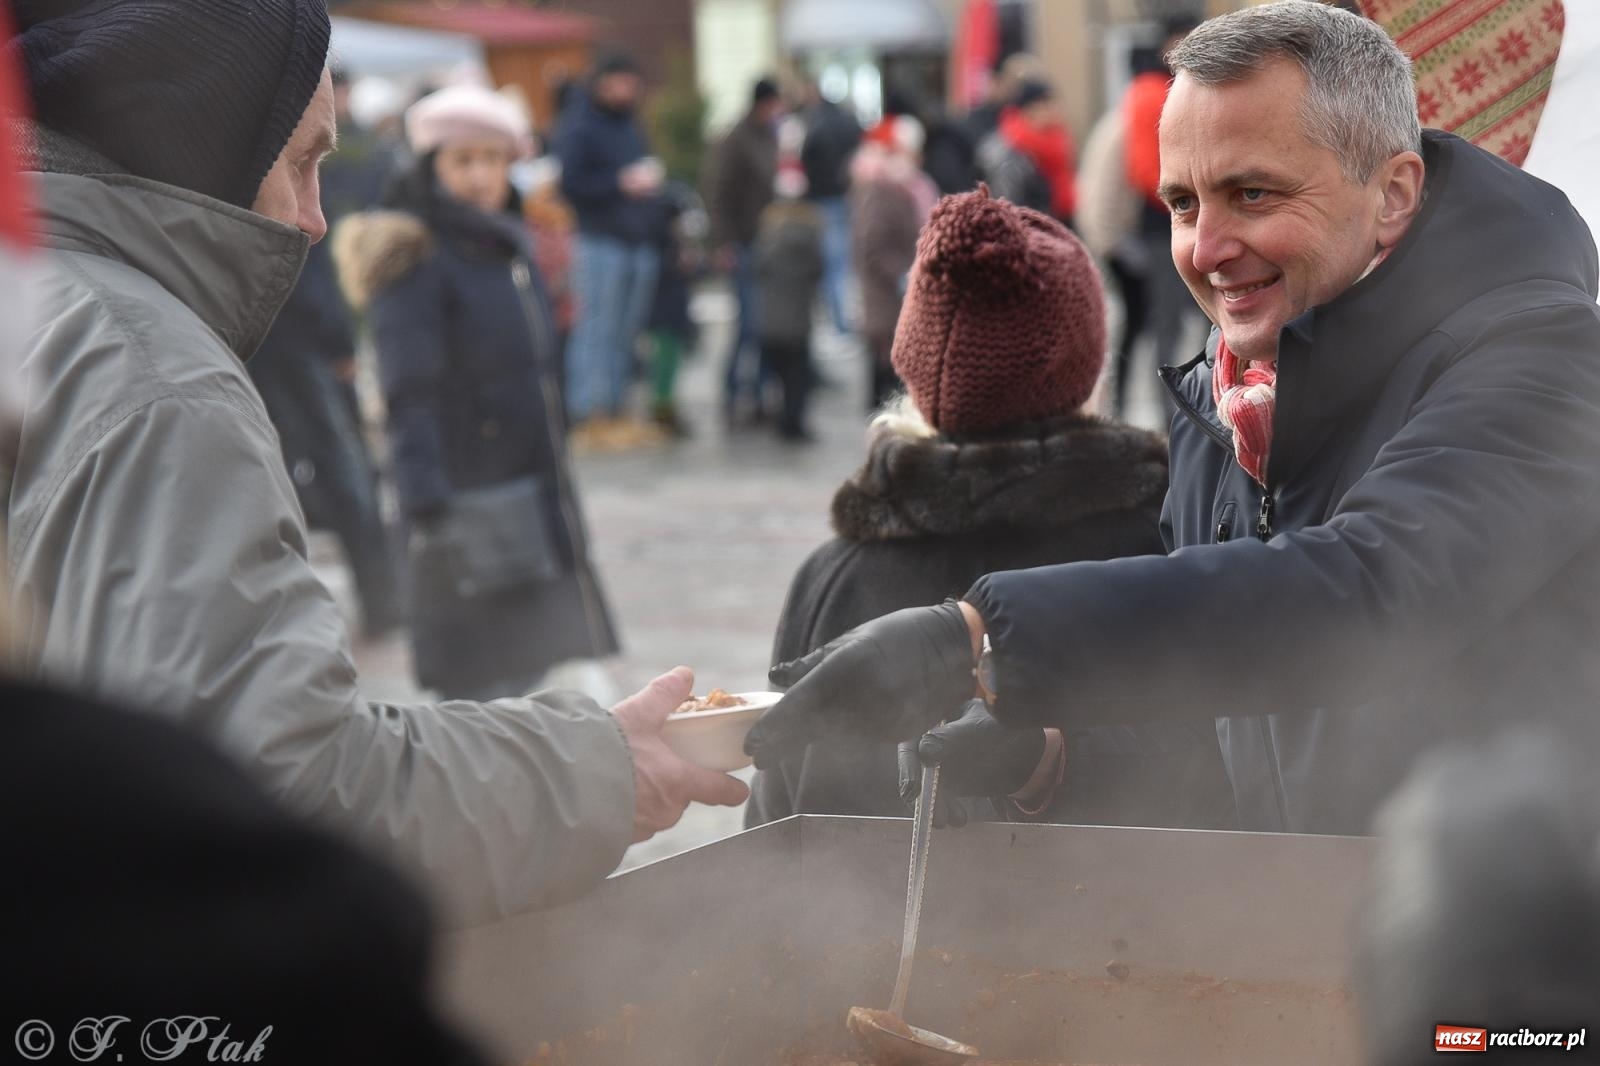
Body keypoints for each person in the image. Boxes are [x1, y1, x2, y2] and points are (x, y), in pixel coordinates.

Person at [743, 2, 1600, 840]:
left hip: (1513, 953)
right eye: (1183, 204)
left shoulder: (1541, 351)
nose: (1205, 246)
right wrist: (1045, 763)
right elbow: (1213, 733)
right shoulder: (1222, 404)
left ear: (1393, 194)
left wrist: (978, 633)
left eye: (1252, 193)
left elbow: (1371, 590)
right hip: (1301, 952)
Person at [9, 0, 748, 928]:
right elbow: (284, 798)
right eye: (303, 160)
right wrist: (604, 769)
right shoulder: (158, 385)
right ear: (203, 144)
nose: (316, 220)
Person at [746, 187, 1233, 830]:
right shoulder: (1160, 544)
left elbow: (776, 827)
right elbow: (1222, 782)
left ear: (912, 368)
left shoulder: (832, 576)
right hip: (1129, 923)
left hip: (861, 925)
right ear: (1087, 370)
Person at [333, 85, 620, 702]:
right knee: (487, 686)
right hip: (467, 501)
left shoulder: (506, 247)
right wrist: (429, 508)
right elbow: (408, 391)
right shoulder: (417, 258)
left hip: (528, 488)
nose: (481, 176)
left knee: (538, 669)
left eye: (493, 159)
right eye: (463, 160)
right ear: (429, 165)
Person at [554, 49, 665, 450]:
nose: (627, 90)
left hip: (636, 240)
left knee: (626, 333)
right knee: (596, 330)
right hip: (599, 240)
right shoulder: (580, 125)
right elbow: (569, 185)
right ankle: (588, 413)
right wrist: (619, 183)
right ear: (602, 82)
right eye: (620, 82)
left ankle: (615, 409)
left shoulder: (630, 123)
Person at [1121, 15, 1205, 412]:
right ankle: (1169, 413)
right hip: (1165, 224)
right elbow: (1145, 171)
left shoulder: (1173, 87)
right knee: (1168, 322)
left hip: (1184, 217)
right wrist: (1193, 202)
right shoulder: (1151, 91)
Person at [706, 77, 783, 423]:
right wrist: (723, 242)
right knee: (749, 324)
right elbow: (717, 192)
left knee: (767, 323)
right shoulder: (735, 139)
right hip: (742, 242)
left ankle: (762, 395)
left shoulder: (770, 135)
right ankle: (734, 393)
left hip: (768, 243)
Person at [852, 117, 938, 411]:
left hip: (900, 288)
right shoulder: (882, 189)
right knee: (883, 366)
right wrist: (903, 274)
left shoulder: (913, 187)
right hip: (885, 292)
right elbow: (872, 247)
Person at [753, 175, 824, 443]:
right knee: (799, 376)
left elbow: (758, 269)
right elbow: (818, 270)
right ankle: (794, 422)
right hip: (799, 319)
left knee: (778, 375)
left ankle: (780, 418)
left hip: (771, 320)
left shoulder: (769, 231)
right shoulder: (811, 232)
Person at [798, 79, 862, 337]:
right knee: (843, 261)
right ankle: (842, 318)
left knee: (832, 261)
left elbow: (806, 157)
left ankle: (838, 320)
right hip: (846, 195)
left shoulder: (814, 125)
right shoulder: (847, 121)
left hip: (823, 197)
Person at [977, 79, 1076, 224]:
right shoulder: (1010, 153)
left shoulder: (1055, 145)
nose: (1055, 111)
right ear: (1029, 110)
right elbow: (1008, 211)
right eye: (1046, 105)